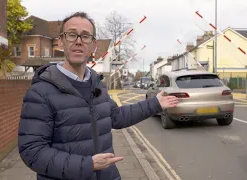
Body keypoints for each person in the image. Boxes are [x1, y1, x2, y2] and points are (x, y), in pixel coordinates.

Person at [18, 11, 178, 180]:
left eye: (85, 36)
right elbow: (33, 152)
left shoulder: (97, 85)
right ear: (60, 42)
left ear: (93, 45)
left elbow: (116, 117)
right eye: (72, 35)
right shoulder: (41, 92)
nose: (79, 41)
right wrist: (88, 165)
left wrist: (155, 104)